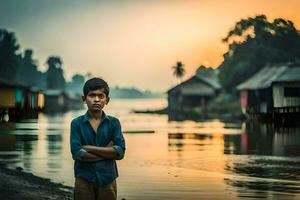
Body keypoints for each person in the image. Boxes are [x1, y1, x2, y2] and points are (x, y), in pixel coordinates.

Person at [70, 77, 126, 200]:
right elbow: (77, 154)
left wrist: (89, 148)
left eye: (101, 96)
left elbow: (120, 152)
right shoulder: (76, 123)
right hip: (84, 179)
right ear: (84, 99)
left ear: (107, 100)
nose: (96, 100)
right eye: (92, 95)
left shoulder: (114, 123)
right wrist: (108, 152)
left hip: (108, 178)